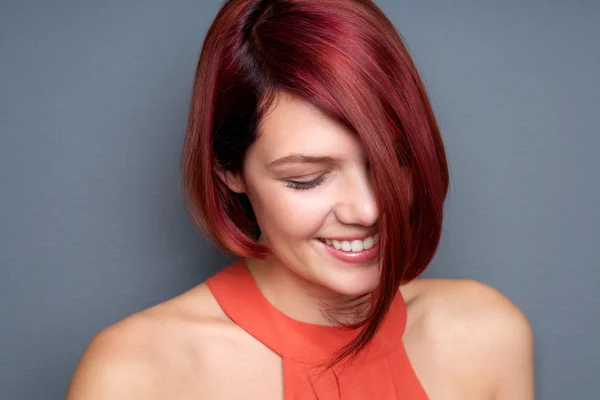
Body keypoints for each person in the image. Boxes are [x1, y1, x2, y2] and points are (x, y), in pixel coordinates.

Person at [66, 0, 534, 398]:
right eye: (307, 178)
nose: (368, 210)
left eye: (393, 162)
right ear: (230, 171)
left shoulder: (487, 332)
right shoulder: (135, 374)